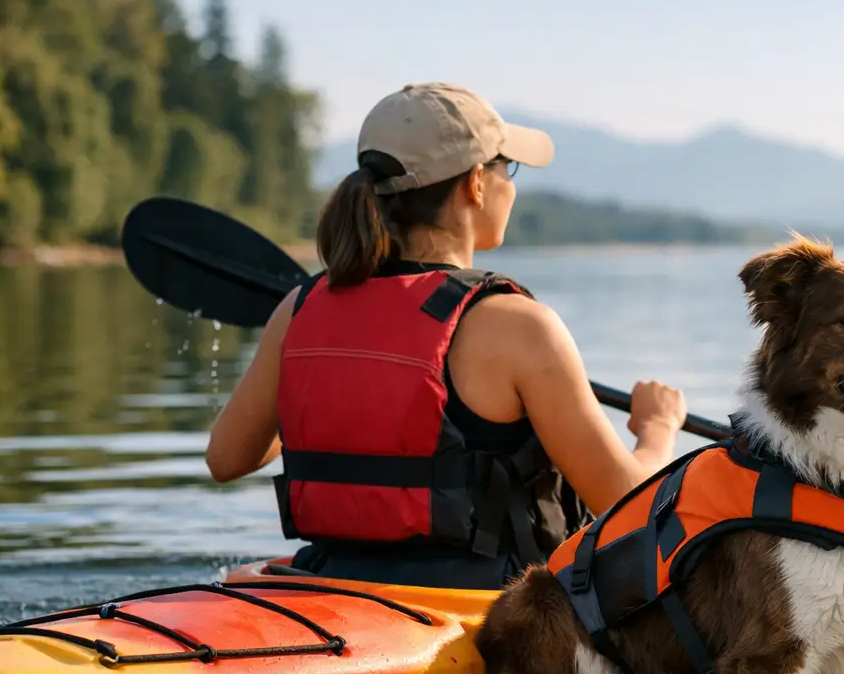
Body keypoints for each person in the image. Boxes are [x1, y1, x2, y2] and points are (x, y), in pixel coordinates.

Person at [205, 82, 686, 588]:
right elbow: (633, 513)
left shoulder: (298, 310)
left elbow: (226, 457)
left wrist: (329, 386)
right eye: (509, 169)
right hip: (480, 609)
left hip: (328, 587)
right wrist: (656, 429)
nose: (512, 187)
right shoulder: (519, 326)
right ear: (476, 183)